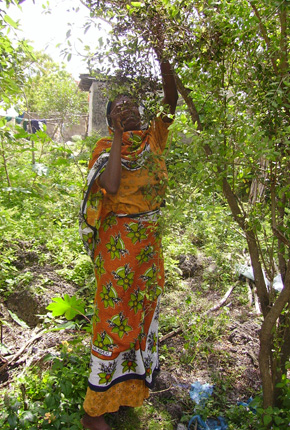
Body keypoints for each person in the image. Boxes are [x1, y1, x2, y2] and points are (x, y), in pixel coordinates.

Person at [79, 59, 178, 430]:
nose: (129, 110)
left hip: (148, 246)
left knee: (139, 320)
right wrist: (119, 137)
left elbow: (170, 103)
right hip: (118, 247)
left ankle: (123, 394)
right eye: (119, 108)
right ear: (110, 121)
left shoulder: (153, 139)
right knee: (113, 321)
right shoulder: (106, 147)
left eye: (132, 106)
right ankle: (93, 413)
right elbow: (113, 187)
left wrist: (162, 54)